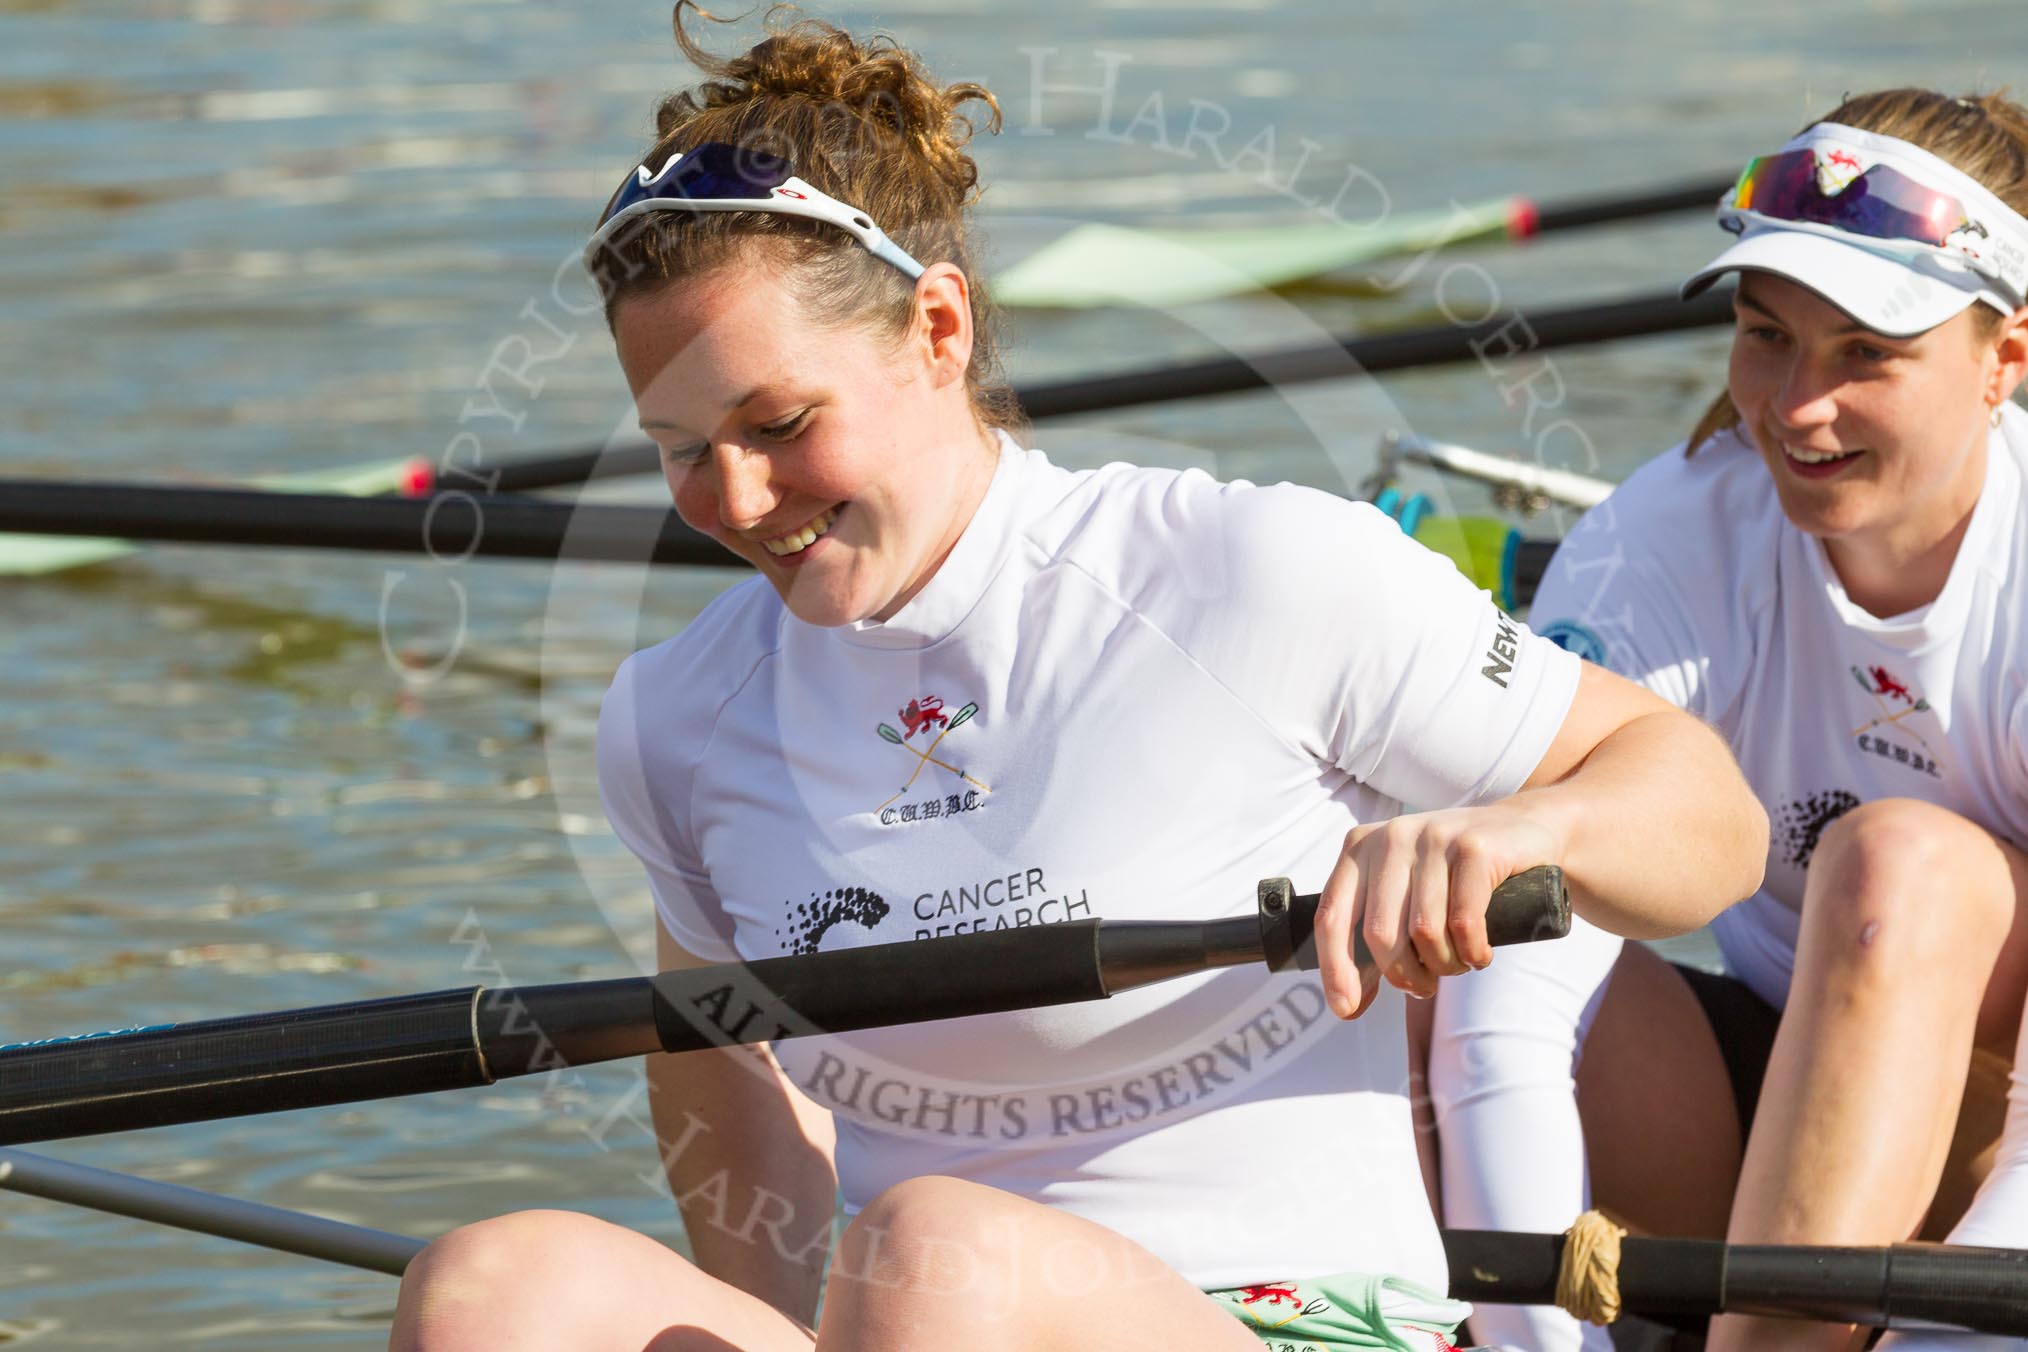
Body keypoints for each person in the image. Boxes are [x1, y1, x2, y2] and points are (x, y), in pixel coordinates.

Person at [387, 8, 1767, 1349]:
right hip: (899, 1314)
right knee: (493, 1287)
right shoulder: (673, 715)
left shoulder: (1247, 572)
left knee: (937, 1250)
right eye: (681, 448)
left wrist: (1519, 832)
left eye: (779, 422)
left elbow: (1710, 824)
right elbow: (721, 1056)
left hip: (1291, 1318)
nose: (736, 497)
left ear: (938, 331)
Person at [1426, 88, 2028, 1352]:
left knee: (1899, 862)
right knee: (1435, 906)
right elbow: (1516, 930)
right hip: (1786, 1109)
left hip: (2000, 1142)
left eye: (1867, 352)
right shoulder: (1677, 527)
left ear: (2005, 361)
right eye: (1767, 335)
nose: (1795, 408)